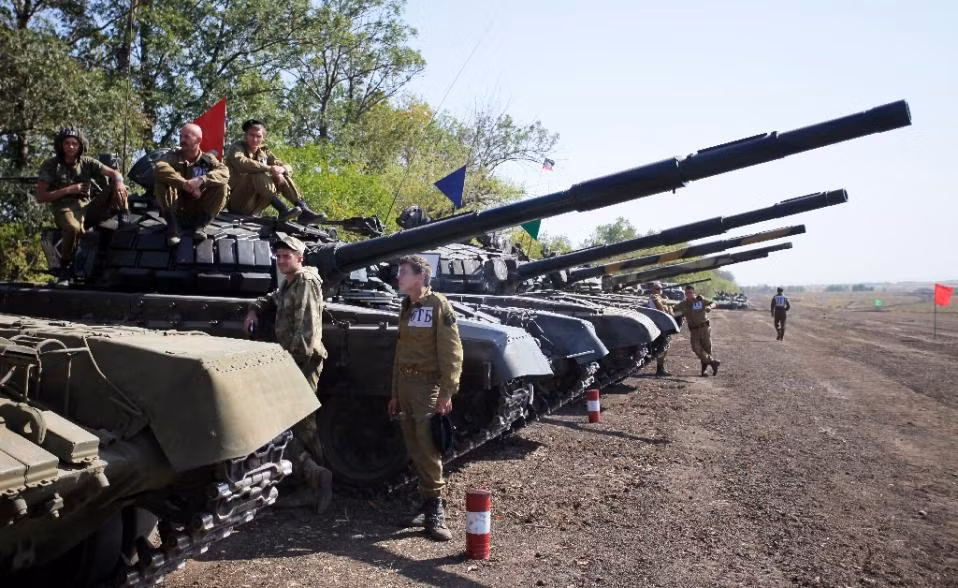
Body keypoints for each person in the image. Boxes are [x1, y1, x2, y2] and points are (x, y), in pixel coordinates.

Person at [244, 235, 330, 511]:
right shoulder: (291, 281)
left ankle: (315, 483)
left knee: (302, 423)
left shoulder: (305, 281)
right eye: (278, 256)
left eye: (287, 256)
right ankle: (308, 477)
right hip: (293, 360)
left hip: (301, 361)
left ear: (300, 258)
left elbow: (306, 332)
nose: (281, 261)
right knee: (292, 422)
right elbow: (275, 297)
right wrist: (255, 308)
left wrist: (288, 366)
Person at [387, 254, 463, 542]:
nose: (398, 277)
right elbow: (400, 352)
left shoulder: (438, 305)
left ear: (420, 276)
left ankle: (435, 509)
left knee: (429, 447)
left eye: (404, 272)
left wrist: (446, 391)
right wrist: (395, 393)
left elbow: (452, 351)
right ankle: (424, 501)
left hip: (427, 387)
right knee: (414, 446)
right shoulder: (406, 306)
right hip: (406, 386)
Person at [35, 127, 129, 286]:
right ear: (61, 145)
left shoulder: (87, 162)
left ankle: (124, 218)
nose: (70, 147)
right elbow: (41, 196)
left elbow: (115, 173)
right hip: (64, 208)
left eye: (74, 143)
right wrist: (69, 190)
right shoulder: (51, 165)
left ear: (80, 146)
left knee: (120, 186)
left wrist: (119, 182)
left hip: (88, 207)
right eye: (67, 143)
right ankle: (66, 268)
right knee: (73, 228)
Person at [224, 119, 324, 224]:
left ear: (263, 138)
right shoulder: (237, 148)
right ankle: (283, 209)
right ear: (245, 136)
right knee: (256, 174)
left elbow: (284, 165)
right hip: (237, 203)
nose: (255, 139)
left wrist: (283, 169)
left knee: (280, 176)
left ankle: (304, 210)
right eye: (251, 135)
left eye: (258, 136)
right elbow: (242, 162)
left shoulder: (264, 152)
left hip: (256, 205)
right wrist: (268, 168)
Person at [153, 123, 229, 246]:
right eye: (181, 136)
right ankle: (174, 228)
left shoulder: (207, 159)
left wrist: (201, 180)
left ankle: (200, 226)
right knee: (162, 181)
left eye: (186, 137)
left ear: (198, 140)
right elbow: (159, 167)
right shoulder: (172, 156)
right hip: (176, 209)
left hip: (199, 209)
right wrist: (184, 184)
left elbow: (224, 172)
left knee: (222, 185)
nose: (182, 140)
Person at [672, 284, 721, 377]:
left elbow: (714, 303)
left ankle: (704, 371)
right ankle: (713, 362)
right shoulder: (683, 304)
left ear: (694, 293)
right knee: (696, 348)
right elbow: (673, 308)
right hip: (694, 330)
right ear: (685, 294)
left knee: (706, 349)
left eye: (690, 292)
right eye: (687, 293)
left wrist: (710, 307)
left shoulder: (700, 300)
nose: (689, 294)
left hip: (704, 328)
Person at [646, 282, 674, 377]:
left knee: (664, 348)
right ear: (653, 289)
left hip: (663, 324)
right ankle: (660, 369)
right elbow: (661, 310)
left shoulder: (661, 298)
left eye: (660, 288)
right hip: (659, 325)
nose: (659, 290)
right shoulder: (655, 298)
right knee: (661, 347)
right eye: (657, 288)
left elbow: (670, 311)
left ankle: (661, 368)